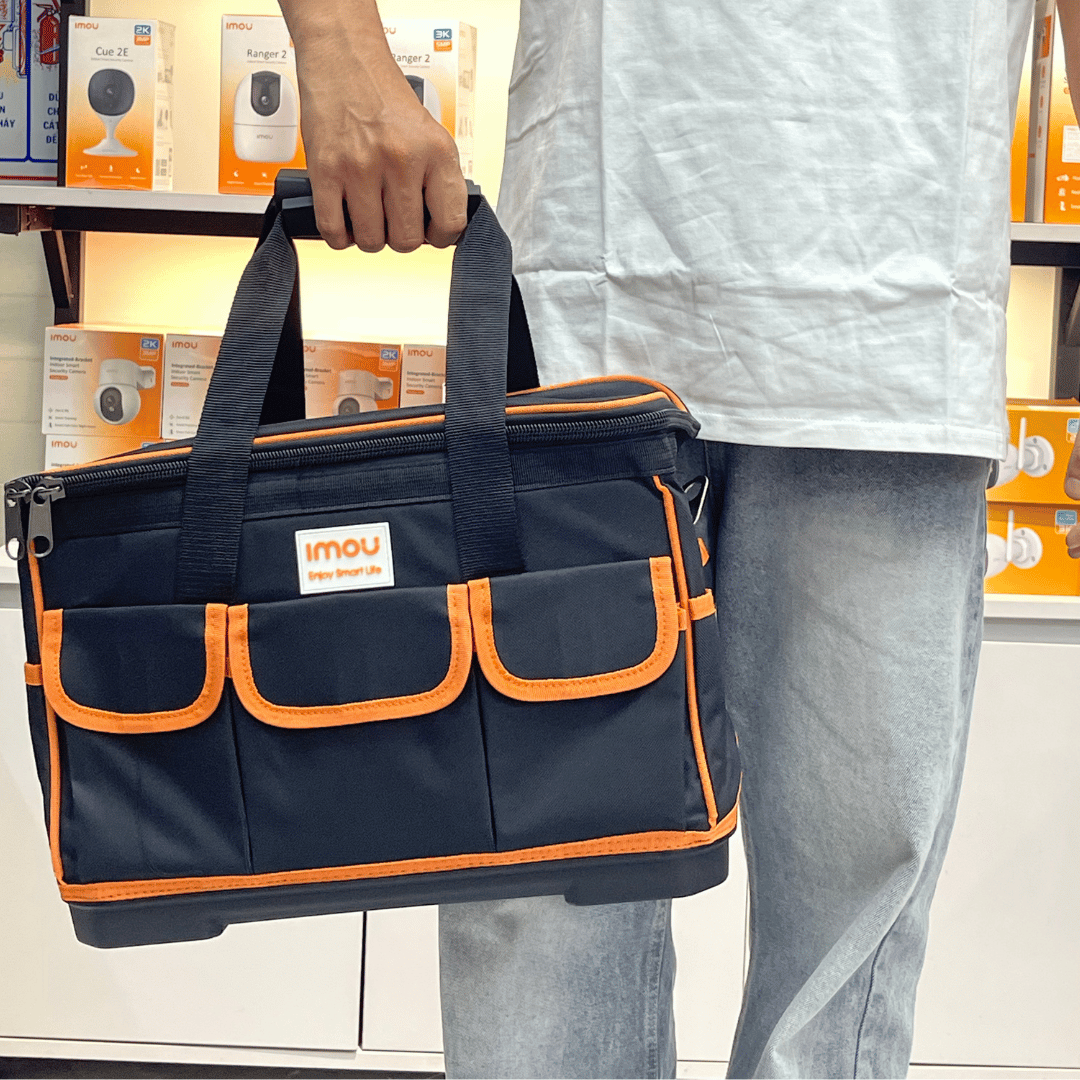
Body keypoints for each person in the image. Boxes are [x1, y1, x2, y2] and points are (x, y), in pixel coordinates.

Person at [277, 2, 1071, 1077]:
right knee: (539, 902)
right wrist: (338, 47)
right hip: (592, 300)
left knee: (851, 925)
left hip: (899, 315)